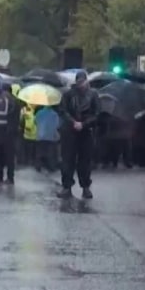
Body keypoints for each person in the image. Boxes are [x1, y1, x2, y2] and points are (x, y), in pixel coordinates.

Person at [58, 71, 98, 199]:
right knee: (67, 160)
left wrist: (84, 124)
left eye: (83, 82)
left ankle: (85, 187)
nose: (81, 85)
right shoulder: (68, 94)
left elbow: (96, 114)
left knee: (85, 161)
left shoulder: (93, 95)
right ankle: (67, 186)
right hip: (70, 131)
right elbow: (63, 111)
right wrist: (73, 122)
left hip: (86, 131)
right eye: (79, 82)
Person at [34, 104, 60, 172]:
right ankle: (51, 167)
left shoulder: (39, 113)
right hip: (50, 136)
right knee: (50, 153)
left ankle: (38, 166)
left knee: (39, 152)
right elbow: (57, 125)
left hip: (40, 135)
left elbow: (35, 122)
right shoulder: (54, 114)